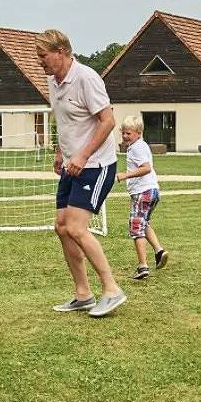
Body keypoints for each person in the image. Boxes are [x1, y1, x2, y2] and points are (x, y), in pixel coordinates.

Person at [37, 28, 124, 317]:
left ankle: (111, 290)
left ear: (61, 52)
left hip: (96, 164)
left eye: (43, 55)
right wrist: (62, 152)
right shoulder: (53, 81)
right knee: (61, 227)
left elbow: (108, 121)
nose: (40, 62)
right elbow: (64, 122)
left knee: (76, 227)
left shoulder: (86, 77)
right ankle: (83, 294)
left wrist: (83, 155)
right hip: (72, 165)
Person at [114, 116, 169, 280]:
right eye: (123, 133)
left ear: (138, 133)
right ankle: (159, 251)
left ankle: (142, 266)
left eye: (128, 133)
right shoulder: (139, 146)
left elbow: (146, 168)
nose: (124, 136)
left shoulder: (137, 147)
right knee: (144, 223)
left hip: (143, 192)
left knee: (136, 227)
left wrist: (125, 175)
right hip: (152, 191)